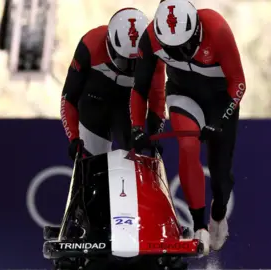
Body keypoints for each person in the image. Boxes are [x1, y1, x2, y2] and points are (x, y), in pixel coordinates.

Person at [129, 0, 246, 255]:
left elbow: (238, 83)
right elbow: (140, 89)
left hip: (220, 99)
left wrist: (218, 121)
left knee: (221, 176)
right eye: (173, 48)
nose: (180, 52)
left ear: (197, 31)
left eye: (185, 45)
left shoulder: (216, 28)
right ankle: (199, 226)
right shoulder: (149, 39)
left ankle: (217, 214)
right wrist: (137, 126)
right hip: (183, 94)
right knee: (188, 146)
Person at [60, 7, 166, 160]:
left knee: (135, 156)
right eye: (124, 61)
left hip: (127, 106)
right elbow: (69, 97)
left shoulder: (155, 55)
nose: (131, 69)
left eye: (137, 62)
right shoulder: (90, 45)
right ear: (109, 44)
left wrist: (155, 135)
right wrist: (74, 138)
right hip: (94, 101)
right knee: (92, 163)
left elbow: (157, 99)